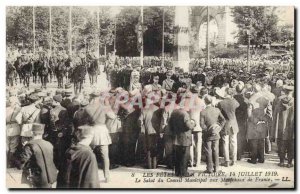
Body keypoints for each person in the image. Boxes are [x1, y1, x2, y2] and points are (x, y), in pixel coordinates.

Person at [17, 123, 57, 188]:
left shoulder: (30, 145)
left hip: (37, 179)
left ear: (32, 133)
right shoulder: (49, 144)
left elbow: (22, 162)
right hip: (50, 178)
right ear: (42, 133)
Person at [200, 95, 225, 173]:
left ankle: (209, 168)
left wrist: (207, 130)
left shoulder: (203, 111)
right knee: (215, 150)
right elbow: (223, 120)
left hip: (207, 134)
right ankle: (216, 168)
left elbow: (201, 124)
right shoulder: (217, 110)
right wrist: (219, 128)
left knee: (208, 151)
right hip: (216, 133)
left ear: (204, 102)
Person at [169, 105, 196, 177]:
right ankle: (184, 173)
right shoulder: (185, 114)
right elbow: (189, 126)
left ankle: (177, 172)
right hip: (185, 138)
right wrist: (194, 123)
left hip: (176, 138)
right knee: (184, 157)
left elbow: (170, 125)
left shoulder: (174, 113)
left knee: (177, 156)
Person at [271, 85, 294, 167]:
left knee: (281, 144)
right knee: (291, 145)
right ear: (292, 92)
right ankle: (289, 163)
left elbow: (275, 114)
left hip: (281, 127)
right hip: (292, 129)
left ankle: (281, 162)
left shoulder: (280, 101)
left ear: (285, 91)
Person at [217, 87, 240, 167]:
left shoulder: (221, 103)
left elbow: (219, 115)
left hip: (225, 124)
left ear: (226, 93)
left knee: (225, 143)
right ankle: (234, 160)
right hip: (234, 123)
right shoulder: (235, 102)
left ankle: (226, 161)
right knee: (234, 143)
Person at [6, 96, 21, 168]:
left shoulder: (6, 109)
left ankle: (6, 162)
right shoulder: (19, 109)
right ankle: (10, 163)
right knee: (13, 146)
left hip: (6, 128)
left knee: (6, 146)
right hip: (15, 127)